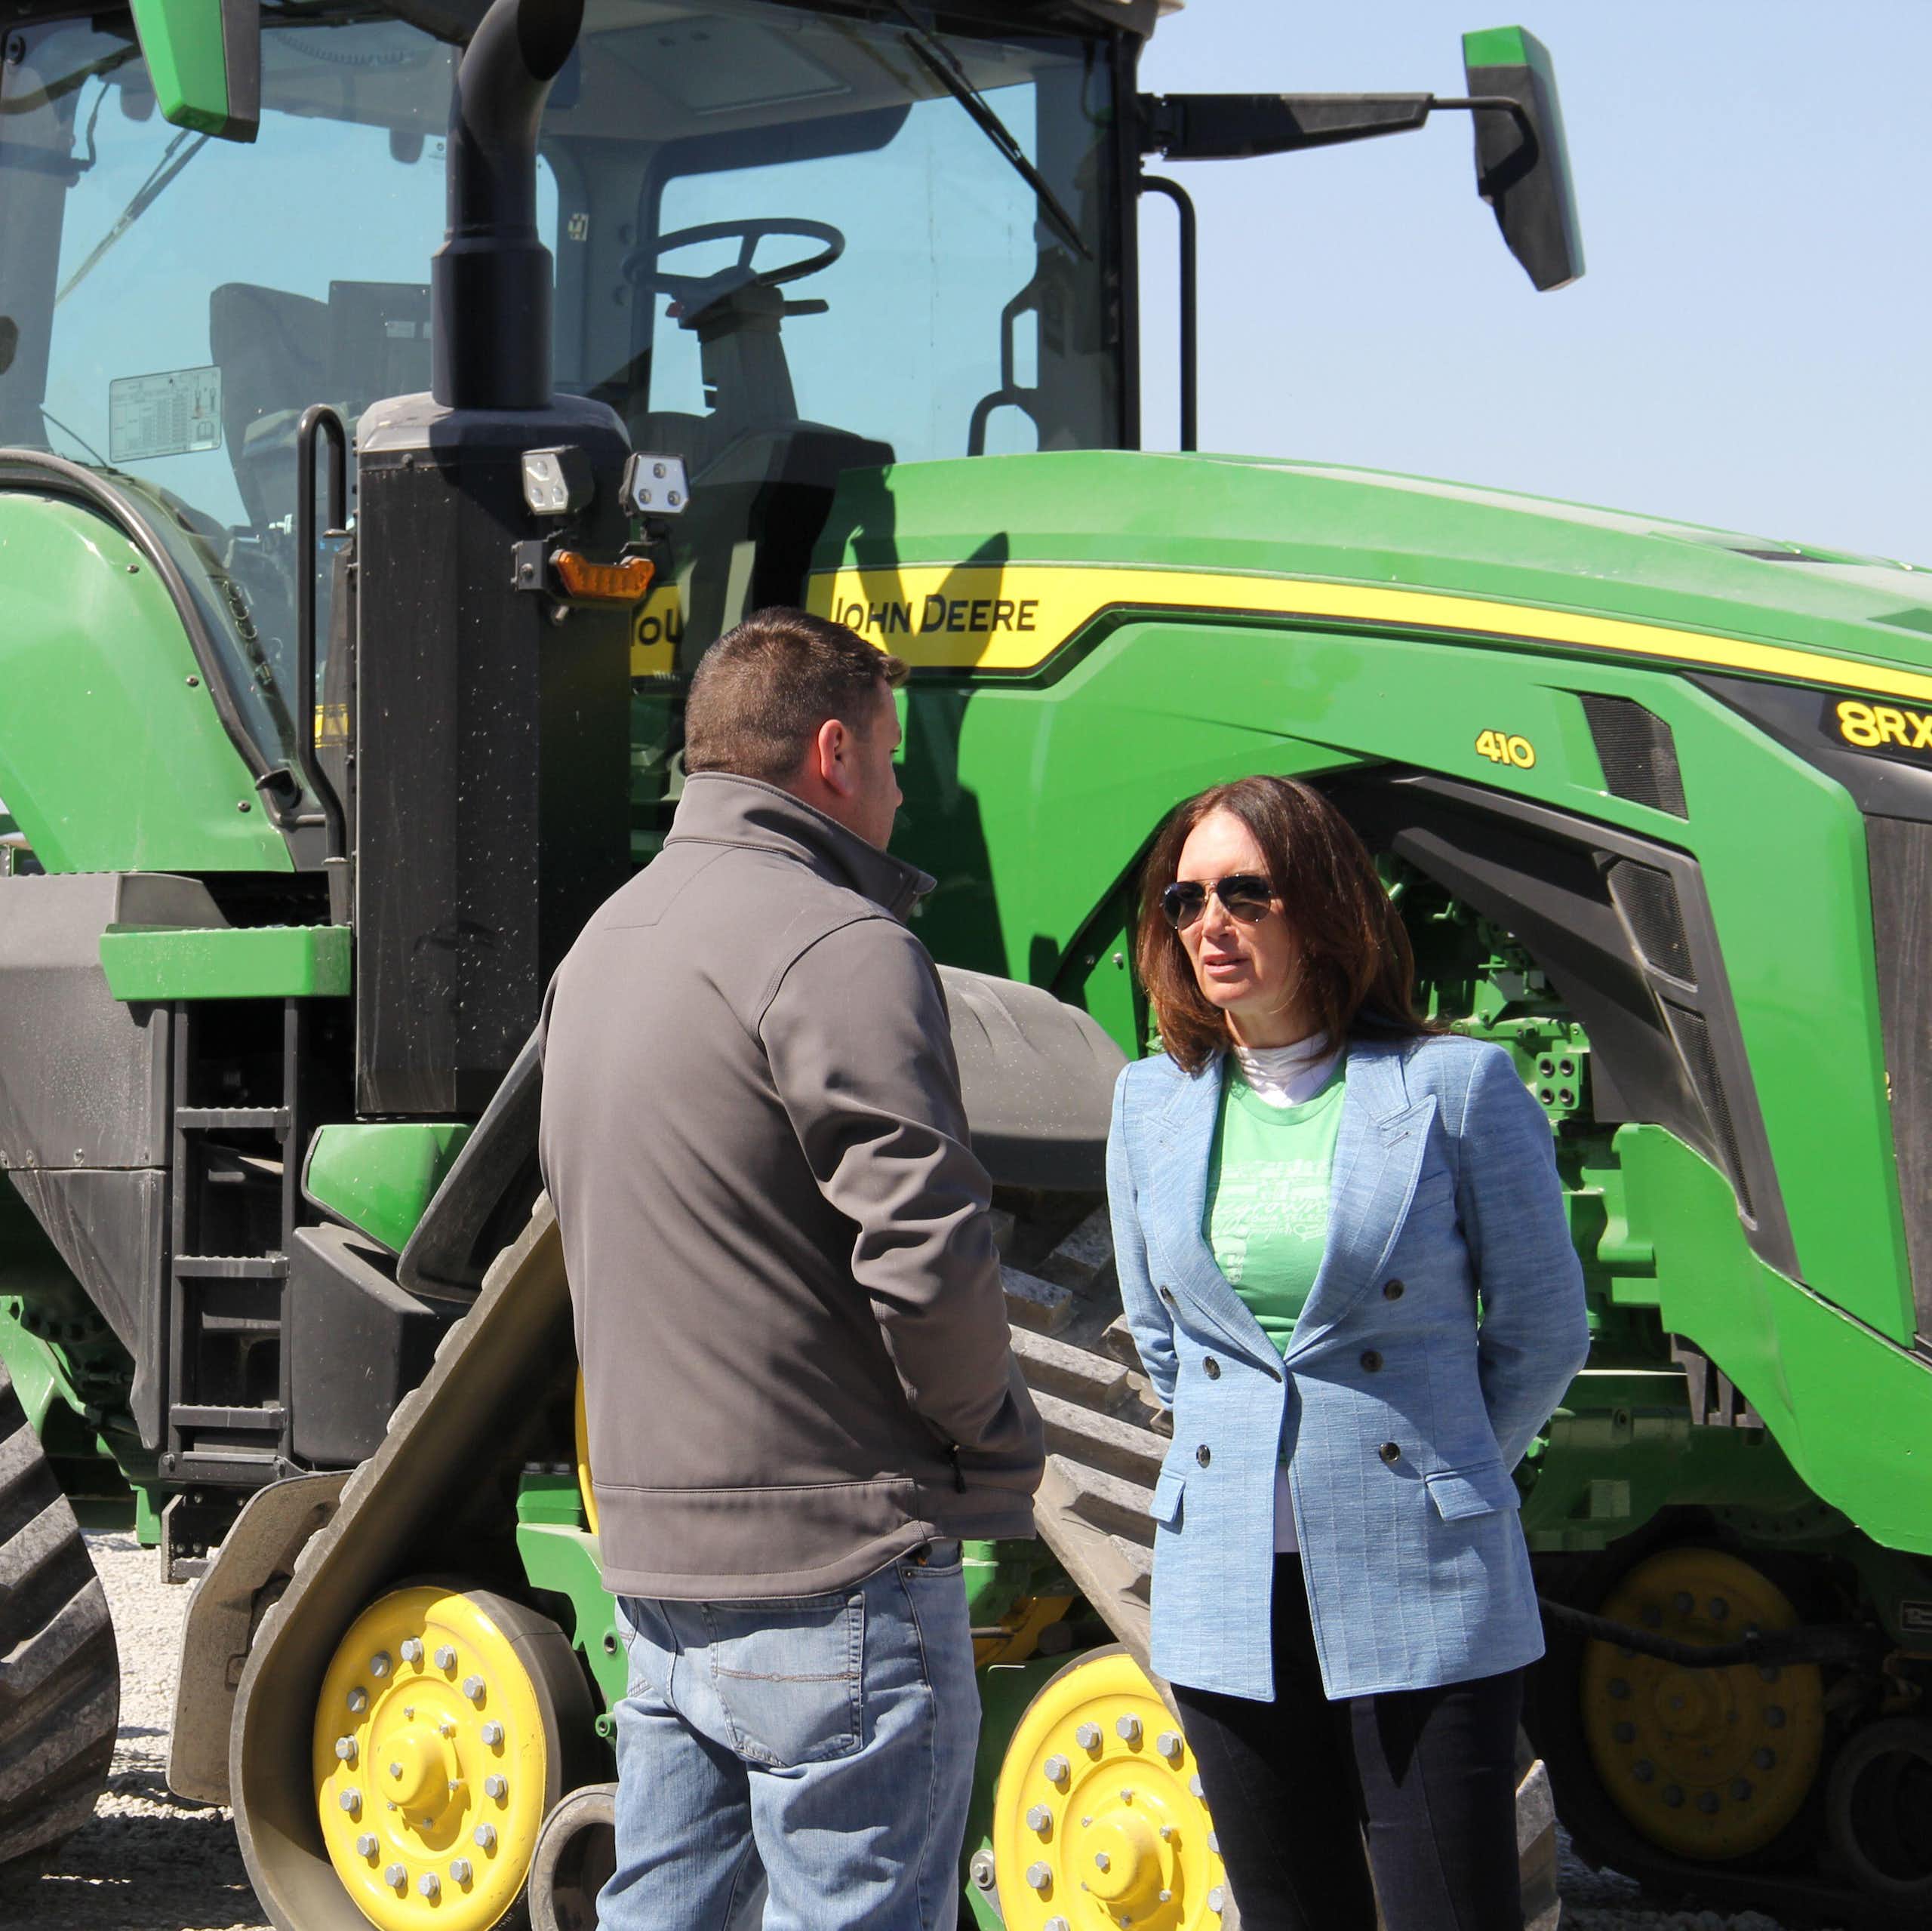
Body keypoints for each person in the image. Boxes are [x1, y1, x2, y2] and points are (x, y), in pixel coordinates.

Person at [538, 607, 1044, 1931]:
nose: (896, 788)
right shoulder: (838, 945)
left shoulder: (602, 948)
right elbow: (927, 1248)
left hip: (658, 1564)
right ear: (831, 753)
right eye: (890, 756)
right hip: (835, 1564)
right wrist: (990, 1439)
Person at [1106, 775, 1590, 1931]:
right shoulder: (1147, 1106)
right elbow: (1168, 1343)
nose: (1207, 924)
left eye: (1242, 892)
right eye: (1183, 900)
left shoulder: (1452, 1087)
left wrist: (1439, 1467)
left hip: (1421, 1579)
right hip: (1226, 1587)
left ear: (1321, 904)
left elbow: (1542, 1330)